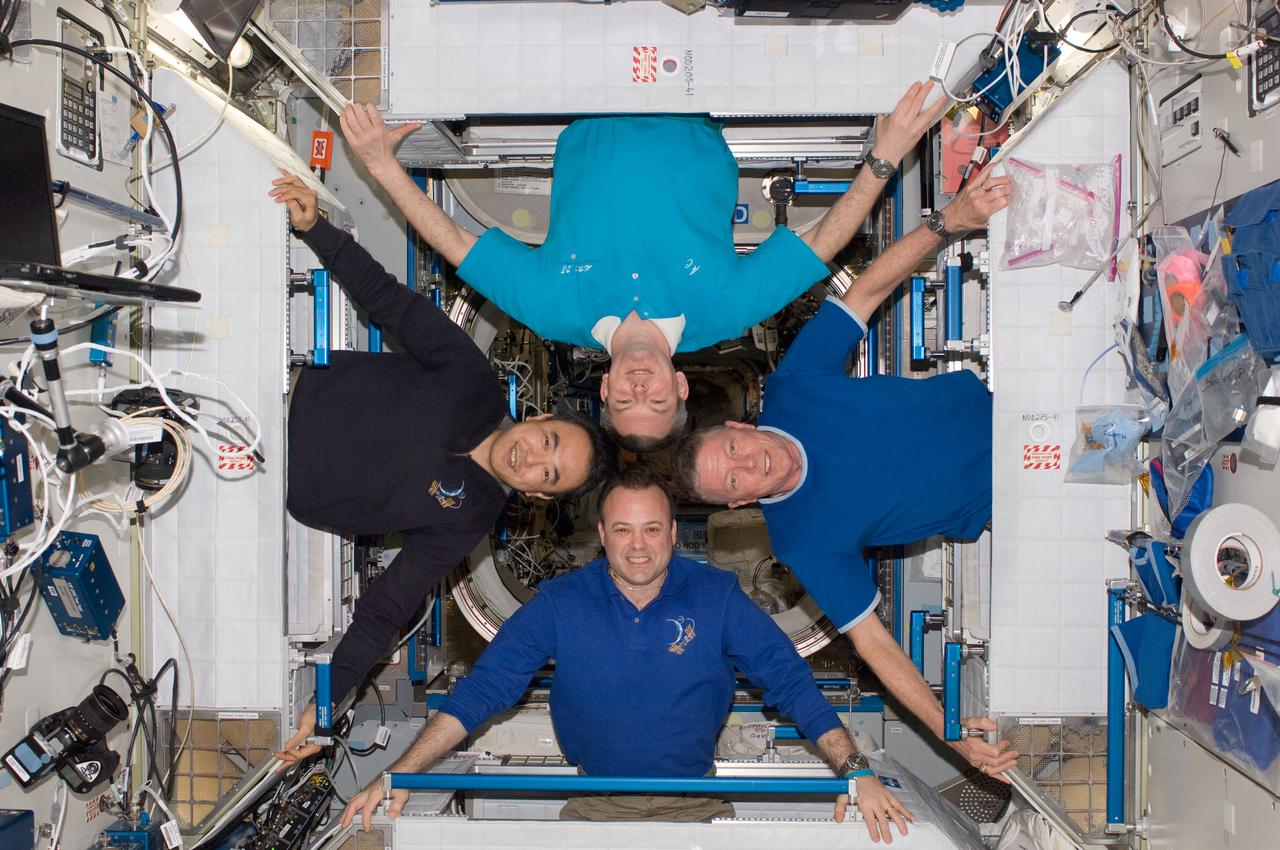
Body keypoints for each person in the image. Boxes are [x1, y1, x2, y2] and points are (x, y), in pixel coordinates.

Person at [335, 83, 947, 451]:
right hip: (691, 94)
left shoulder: (552, 311)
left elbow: (457, 244)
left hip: (591, 93)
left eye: (625, 402)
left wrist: (384, 169)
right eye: (655, 402)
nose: (637, 390)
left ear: (602, 389)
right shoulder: (726, 312)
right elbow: (823, 245)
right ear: (679, 387)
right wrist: (884, 157)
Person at [339, 466, 914, 843]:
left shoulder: (716, 596)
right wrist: (399, 775)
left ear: (671, 532)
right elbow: (484, 691)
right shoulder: (560, 602)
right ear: (602, 533)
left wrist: (855, 771)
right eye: (623, 530)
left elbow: (790, 683)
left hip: (699, 807)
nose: (638, 547)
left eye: (652, 530)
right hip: (594, 806)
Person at [671, 170, 1019, 780]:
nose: (747, 466)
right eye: (732, 481)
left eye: (732, 450)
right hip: (1017, 498)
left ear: (741, 428)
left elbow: (863, 293)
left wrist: (949, 221)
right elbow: (874, 644)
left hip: (1015, 403)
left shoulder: (794, 386)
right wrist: (950, 734)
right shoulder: (802, 542)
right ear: (736, 506)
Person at [268, 174, 616, 757]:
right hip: (276, 395)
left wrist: (328, 701)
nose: (533, 457)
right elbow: (388, 303)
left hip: (273, 492)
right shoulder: (470, 376)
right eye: (550, 440)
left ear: (538, 498)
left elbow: (388, 608)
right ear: (538, 418)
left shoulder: (468, 520)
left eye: (549, 474)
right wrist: (316, 230)